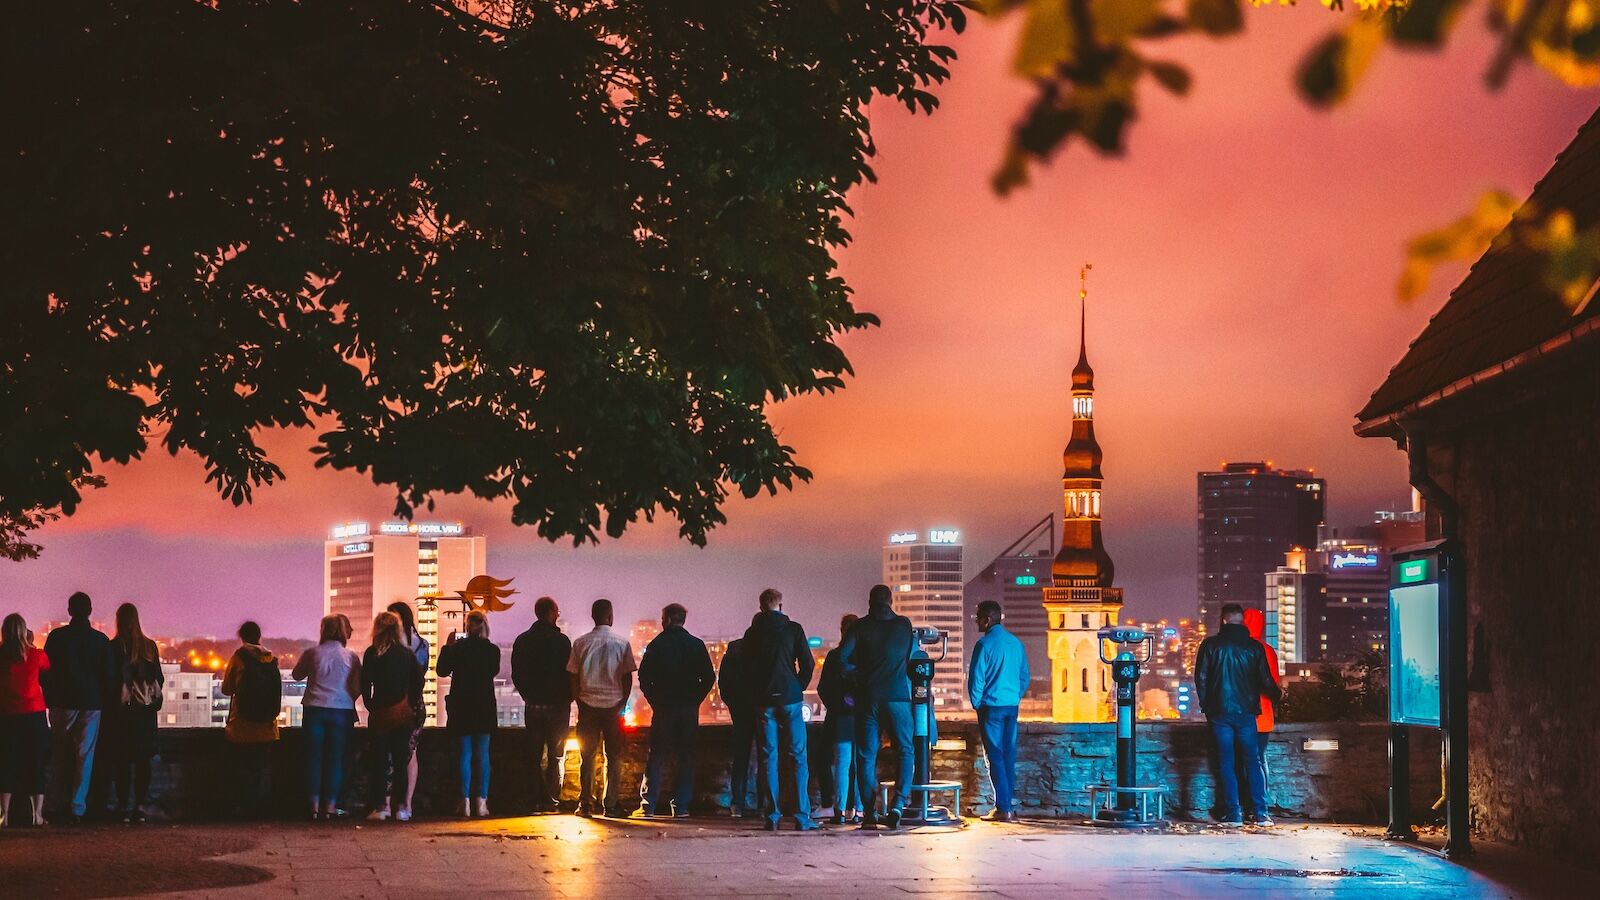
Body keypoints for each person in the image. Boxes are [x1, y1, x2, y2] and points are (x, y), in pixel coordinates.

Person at [1194, 603, 1283, 827]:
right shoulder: (1255, 647)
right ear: (1242, 621)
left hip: (1220, 712)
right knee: (1252, 761)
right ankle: (1260, 813)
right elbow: (1265, 681)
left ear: (1223, 620)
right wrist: (1278, 695)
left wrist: (1207, 705)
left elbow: (1201, 678)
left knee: (1226, 762)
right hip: (1246, 713)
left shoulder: (1210, 645)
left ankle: (1233, 814)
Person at [839, 583, 915, 830]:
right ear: (890, 601)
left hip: (868, 697)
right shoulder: (904, 625)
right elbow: (908, 656)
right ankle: (897, 805)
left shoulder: (860, 627)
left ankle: (869, 811)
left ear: (870, 602)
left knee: (866, 754)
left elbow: (842, 658)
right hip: (897, 697)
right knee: (905, 750)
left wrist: (857, 675)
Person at [742, 588, 818, 831]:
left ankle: (772, 815)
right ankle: (801, 815)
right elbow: (808, 663)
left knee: (768, 758)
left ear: (761, 607)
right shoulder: (793, 629)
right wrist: (797, 686)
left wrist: (757, 691)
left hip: (764, 700)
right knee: (798, 757)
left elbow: (746, 667)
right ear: (781, 605)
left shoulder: (753, 633)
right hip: (791, 698)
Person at [636, 603, 714, 818]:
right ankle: (680, 806)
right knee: (686, 756)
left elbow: (644, 677)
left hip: (663, 707)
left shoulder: (656, 645)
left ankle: (648, 805)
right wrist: (695, 699)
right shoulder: (696, 645)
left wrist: (654, 700)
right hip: (688, 708)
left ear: (668, 619)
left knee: (657, 755)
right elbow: (708, 677)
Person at [42, 591, 111, 824]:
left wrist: (50, 699)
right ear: (90, 611)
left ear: (69, 610)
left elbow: (46, 673)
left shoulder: (56, 637)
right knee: (85, 757)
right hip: (91, 704)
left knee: (59, 754)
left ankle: (52, 805)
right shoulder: (101, 641)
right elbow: (108, 677)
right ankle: (77, 807)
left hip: (62, 702)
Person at [566, 598, 636, 817]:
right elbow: (627, 678)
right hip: (613, 706)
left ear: (593, 616)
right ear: (610, 616)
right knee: (613, 756)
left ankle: (585, 803)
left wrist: (579, 700)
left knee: (587, 755)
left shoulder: (580, 643)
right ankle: (611, 803)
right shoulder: (622, 643)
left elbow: (573, 676)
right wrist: (622, 704)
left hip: (588, 705)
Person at [292, 614, 362, 820]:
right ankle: (330, 807)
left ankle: (314, 807)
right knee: (336, 759)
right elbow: (356, 687)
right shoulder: (351, 657)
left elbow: (296, 675)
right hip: (341, 710)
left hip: (314, 709)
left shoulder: (312, 653)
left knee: (314, 758)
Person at [968, 600, 1029, 823]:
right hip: (1010, 706)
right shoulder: (1015, 643)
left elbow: (977, 678)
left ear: (987, 619)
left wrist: (977, 703)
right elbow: (1024, 676)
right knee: (1008, 756)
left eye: (978, 617)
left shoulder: (984, 645)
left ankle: (1003, 809)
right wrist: (1015, 695)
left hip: (990, 707)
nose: (976, 621)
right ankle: (1006, 805)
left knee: (994, 756)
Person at [437, 610, 501, 817]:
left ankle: (464, 801)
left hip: (461, 706)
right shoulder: (492, 650)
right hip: (483, 707)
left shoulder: (457, 649)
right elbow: (493, 671)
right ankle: (481, 802)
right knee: (482, 755)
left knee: (464, 754)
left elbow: (441, 670)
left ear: (467, 627)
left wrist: (448, 646)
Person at [511, 596, 571, 813]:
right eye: (556, 611)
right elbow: (570, 673)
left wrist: (528, 695)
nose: (558, 614)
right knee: (556, 755)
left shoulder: (523, 640)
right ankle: (551, 801)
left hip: (534, 705)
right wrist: (568, 697)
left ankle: (533, 800)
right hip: (558, 706)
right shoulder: (562, 642)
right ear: (550, 613)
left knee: (533, 755)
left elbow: (517, 673)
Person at [362, 611, 424, 822]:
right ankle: (402, 808)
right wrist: (410, 701)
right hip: (402, 713)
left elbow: (365, 683)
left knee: (379, 761)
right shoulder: (407, 654)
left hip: (380, 712)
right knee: (400, 759)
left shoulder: (372, 653)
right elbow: (419, 682)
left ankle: (382, 807)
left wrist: (370, 705)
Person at [107, 603, 164, 824]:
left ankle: (123, 806)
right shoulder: (149, 646)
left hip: (122, 714)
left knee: (121, 762)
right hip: (145, 714)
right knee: (143, 763)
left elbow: (109, 679)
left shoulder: (114, 647)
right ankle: (140, 805)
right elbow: (159, 678)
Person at [221, 620, 281, 818]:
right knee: (262, 768)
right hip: (267, 727)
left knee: (241, 767)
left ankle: (242, 807)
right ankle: (262, 807)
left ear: (242, 637)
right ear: (259, 637)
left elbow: (227, 688)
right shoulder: (271, 659)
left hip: (242, 726)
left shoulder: (239, 657)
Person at [1, 613, 51, 828]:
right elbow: (47, 668)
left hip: (7, 715)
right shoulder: (36, 655)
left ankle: (4, 815)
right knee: (36, 763)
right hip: (34, 715)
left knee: (6, 763)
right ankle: (37, 815)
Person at [386, 601, 429, 818]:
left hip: (393, 702)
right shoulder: (422, 644)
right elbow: (421, 675)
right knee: (410, 753)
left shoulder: (388, 647)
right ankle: (406, 804)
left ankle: (385, 802)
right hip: (416, 703)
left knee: (390, 753)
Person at [818, 613, 861, 825]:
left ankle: (840, 810)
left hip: (841, 717)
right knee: (860, 763)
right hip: (862, 718)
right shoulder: (866, 657)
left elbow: (823, 688)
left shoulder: (835, 657)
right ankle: (860, 810)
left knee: (842, 763)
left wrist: (836, 706)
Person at [1241, 608, 1281, 820]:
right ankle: (1260, 807)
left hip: (1241, 714)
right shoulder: (1267, 650)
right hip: (1263, 716)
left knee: (1241, 762)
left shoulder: (1239, 648)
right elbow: (1274, 684)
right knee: (1258, 760)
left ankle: (1246, 805)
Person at [717, 629, 759, 818]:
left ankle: (737, 803)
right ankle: (764, 804)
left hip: (740, 709)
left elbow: (723, 682)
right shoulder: (765, 648)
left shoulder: (734, 650)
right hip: (761, 707)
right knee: (766, 757)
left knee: (740, 758)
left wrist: (732, 704)